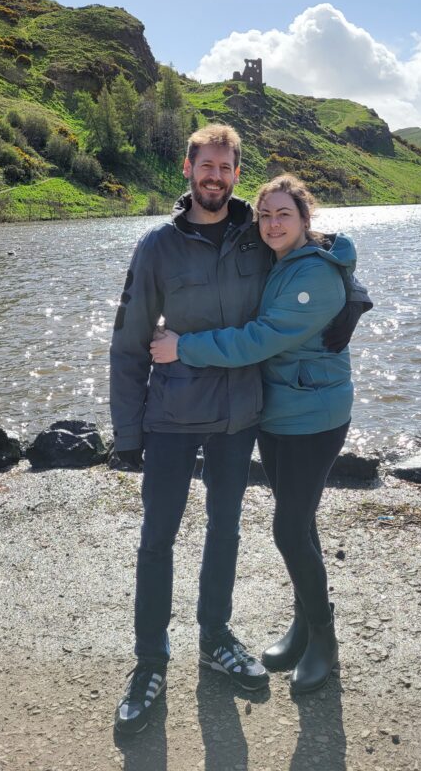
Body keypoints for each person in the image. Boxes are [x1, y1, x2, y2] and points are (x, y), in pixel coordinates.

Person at [110, 126, 368, 734]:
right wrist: (127, 435)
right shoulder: (157, 247)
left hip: (240, 418)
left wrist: (353, 299)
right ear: (187, 168)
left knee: (225, 531)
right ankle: (149, 662)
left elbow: (325, 250)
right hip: (171, 417)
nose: (215, 177)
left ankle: (215, 638)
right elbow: (128, 343)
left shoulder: (257, 233)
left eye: (226, 168)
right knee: (158, 539)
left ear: (234, 173)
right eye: (207, 167)